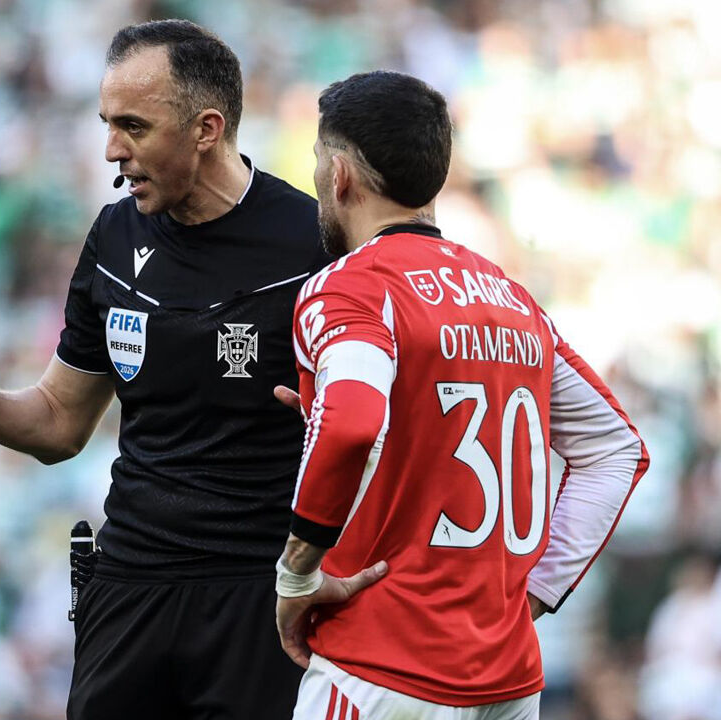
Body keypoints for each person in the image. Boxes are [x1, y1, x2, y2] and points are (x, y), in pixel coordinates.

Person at [0, 19, 330, 720]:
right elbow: (60, 423)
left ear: (207, 128)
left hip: (256, 591)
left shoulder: (314, 246)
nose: (112, 149)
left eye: (134, 126)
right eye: (106, 123)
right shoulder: (115, 236)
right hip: (130, 584)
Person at [271, 70, 650, 720]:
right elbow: (615, 449)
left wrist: (297, 576)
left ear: (339, 174)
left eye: (315, 164)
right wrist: (529, 596)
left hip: (380, 665)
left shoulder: (350, 287)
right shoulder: (513, 300)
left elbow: (356, 420)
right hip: (507, 681)